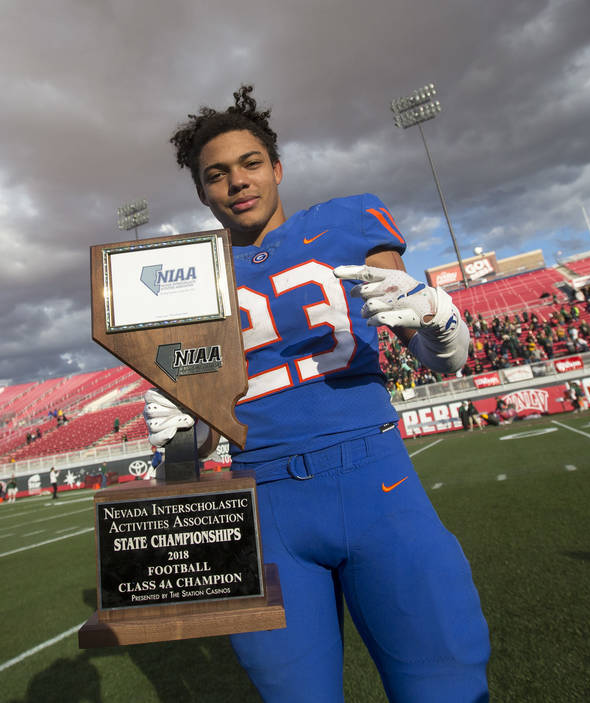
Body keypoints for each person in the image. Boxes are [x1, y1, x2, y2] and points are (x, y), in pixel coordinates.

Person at [146, 86, 489, 702]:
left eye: (250, 163)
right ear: (202, 192)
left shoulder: (348, 223)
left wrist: (436, 312)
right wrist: (180, 431)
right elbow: (191, 452)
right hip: (263, 505)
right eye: (216, 174)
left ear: (277, 168)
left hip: (376, 480)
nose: (237, 182)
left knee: (446, 681)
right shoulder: (185, 281)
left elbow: (445, 358)